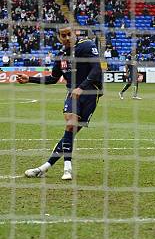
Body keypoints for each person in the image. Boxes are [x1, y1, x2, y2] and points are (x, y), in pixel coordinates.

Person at [15, 27, 103, 181]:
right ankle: (67, 168)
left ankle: (45, 167)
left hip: (90, 93)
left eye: (69, 34)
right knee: (70, 124)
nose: (67, 37)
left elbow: (96, 69)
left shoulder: (87, 45)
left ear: (74, 33)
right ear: (59, 38)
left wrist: (81, 87)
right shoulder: (61, 56)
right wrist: (30, 79)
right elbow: (53, 78)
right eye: (63, 35)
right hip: (72, 93)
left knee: (70, 133)